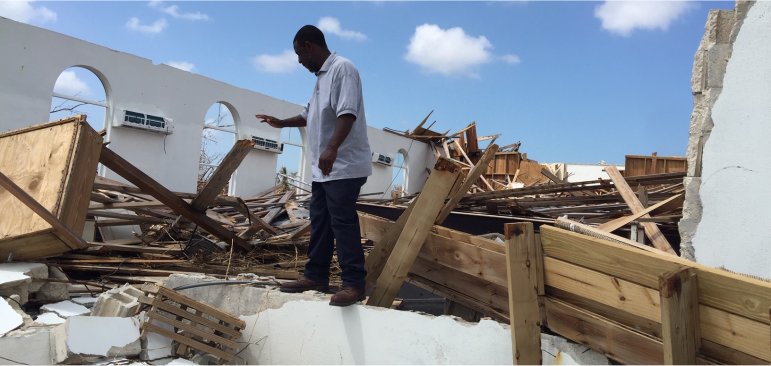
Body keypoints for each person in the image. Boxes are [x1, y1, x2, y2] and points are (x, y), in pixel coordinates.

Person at [256, 25, 372, 307]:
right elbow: (310, 114)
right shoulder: (322, 77)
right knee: (320, 221)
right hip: (326, 169)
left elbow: (348, 113)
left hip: (344, 165)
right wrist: (281, 122)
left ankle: (354, 283)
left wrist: (332, 148)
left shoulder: (343, 69)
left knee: (342, 222)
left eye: (299, 54)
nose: (298, 61)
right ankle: (315, 276)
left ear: (309, 46)